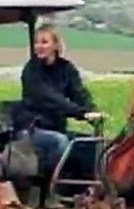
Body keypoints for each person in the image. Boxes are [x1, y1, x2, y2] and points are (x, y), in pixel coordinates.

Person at [19, 25, 105, 178]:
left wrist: (93, 112)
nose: (39, 46)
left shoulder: (66, 69)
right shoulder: (31, 71)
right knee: (60, 142)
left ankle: (85, 191)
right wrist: (82, 113)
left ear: (56, 45)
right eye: (37, 42)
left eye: (44, 42)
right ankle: (50, 189)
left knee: (91, 145)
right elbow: (52, 99)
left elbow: (80, 93)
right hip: (33, 129)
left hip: (57, 127)